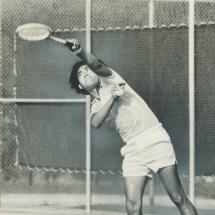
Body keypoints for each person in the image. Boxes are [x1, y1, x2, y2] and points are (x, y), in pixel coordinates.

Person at [65, 38, 198, 215]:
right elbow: (95, 122)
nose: (87, 73)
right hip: (133, 150)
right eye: (81, 74)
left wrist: (79, 51)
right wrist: (112, 98)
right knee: (132, 206)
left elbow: (95, 63)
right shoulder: (96, 106)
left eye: (87, 70)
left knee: (178, 197)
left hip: (154, 138)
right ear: (81, 86)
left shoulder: (110, 79)